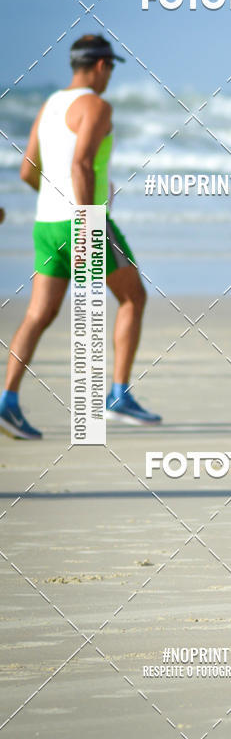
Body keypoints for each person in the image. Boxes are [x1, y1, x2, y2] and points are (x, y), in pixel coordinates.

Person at [0, 35, 161, 440]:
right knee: (133, 297)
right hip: (84, 221)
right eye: (111, 69)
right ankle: (118, 396)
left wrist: (59, 208)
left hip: (46, 224)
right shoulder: (98, 105)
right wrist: (87, 224)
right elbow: (82, 164)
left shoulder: (50, 105)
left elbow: (26, 171)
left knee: (38, 315)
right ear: (102, 66)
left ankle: (7, 400)